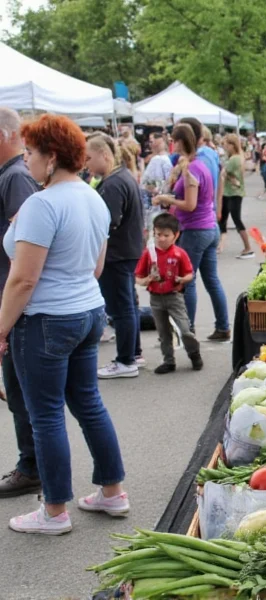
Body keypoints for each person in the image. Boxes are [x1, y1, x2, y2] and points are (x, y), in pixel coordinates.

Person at [1, 114, 128, 534]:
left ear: (51, 157)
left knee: (46, 415)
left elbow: (23, 278)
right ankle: (112, 490)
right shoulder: (91, 196)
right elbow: (96, 266)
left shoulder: (43, 204)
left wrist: (1, 329)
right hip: (87, 310)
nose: (27, 159)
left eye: (32, 153)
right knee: (88, 403)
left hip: (46, 320)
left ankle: (54, 510)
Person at [154, 124, 230, 342]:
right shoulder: (200, 164)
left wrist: (166, 199)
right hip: (208, 227)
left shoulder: (192, 169)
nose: (172, 145)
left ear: (179, 142)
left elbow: (189, 204)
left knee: (187, 281)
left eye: (173, 141)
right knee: (211, 279)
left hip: (196, 229)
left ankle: (187, 330)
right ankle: (222, 326)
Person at [0, 108, 40, 498]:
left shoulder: (15, 178)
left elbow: (24, 256)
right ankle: (32, 464)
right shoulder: (12, 176)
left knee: (21, 392)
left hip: (17, 304)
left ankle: (32, 466)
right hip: (12, 299)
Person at [85, 133, 145, 380]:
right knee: (128, 305)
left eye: (89, 158)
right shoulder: (121, 178)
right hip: (126, 252)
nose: (86, 163)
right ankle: (133, 353)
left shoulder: (113, 183)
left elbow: (108, 222)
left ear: (105, 155)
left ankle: (126, 359)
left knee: (122, 308)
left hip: (117, 255)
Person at [136, 212, 203, 374]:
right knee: (163, 332)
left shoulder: (179, 253)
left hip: (174, 296)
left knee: (185, 328)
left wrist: (182, 279)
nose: (162, 239)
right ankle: (168, 360)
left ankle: (194, 353)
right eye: (158, 234)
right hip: (156, 298)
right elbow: (138, 277)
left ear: (176, 235)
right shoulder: (149, 254)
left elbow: (190, 274)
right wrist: (147, 280)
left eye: (166, 235)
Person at [218, 133, 253, 258]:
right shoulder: (237, 157)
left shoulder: (234, 159)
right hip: (231, 192)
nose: (225, 147)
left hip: (233, 192)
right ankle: (220, 244)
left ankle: (248, 247)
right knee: (223, 218)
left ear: (232, 145)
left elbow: (223, 173)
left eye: (226, 144)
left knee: (236, 219)